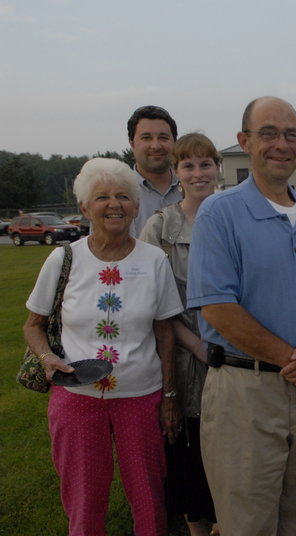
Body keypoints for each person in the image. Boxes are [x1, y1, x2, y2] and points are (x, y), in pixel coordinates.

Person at [186, 97, 296, 535]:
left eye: (291, 135)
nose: (282, 144)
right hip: (247, 392)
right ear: (245, 142)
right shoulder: (220, 213)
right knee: (247, 523)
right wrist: (293, 359)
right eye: (269, 133)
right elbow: (218, 306)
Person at [23, 157, 183, 536]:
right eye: (103, 197)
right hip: (76, 396)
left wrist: (171, 395)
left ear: (136, 204)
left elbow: (166, 332)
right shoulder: (64, 258)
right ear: (84, 207)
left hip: (141, 396)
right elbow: (33, 325)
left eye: (124, 196)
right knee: (83, 497)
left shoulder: (154, 260)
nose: (115, 204)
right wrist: (46, 358)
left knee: (148, 496)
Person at [140, 133, 220, 536]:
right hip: (186, 360)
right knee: (190, 463)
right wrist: (199, 348)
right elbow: (155, 306)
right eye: (188, 165)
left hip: (234, 356)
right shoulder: (159, 228)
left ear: (218, 169)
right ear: (177, 171)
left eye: (205, 164)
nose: (198, 173)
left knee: (232, 457)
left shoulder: (233, 217)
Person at [128, 105, 183, 237]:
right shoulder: (117, 193)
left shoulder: (193, 188)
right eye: (146, 138)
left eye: (163, 138)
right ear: (132, 144)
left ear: (174, 142)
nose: (156, 146)